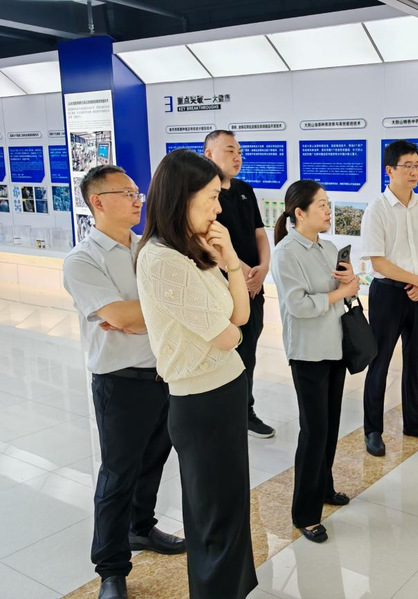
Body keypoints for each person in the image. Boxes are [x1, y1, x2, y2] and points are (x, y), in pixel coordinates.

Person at [135, 149, 257, 598]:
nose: (218, 209)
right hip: (201, 401)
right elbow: (228, 336)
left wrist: (231, 261)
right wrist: (232, 328)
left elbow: (240, 318)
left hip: (225, 390)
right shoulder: (162, 260)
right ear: (181, 197)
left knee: (230, 505)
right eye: (210, 197)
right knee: (213, 516)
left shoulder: (191, 250)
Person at [62, 165, 185, 599]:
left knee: (153, 460)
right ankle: (111, 568)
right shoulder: (83, 260)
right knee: (118, 474)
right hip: (120, 382)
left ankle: (141, 527)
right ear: (98, 201)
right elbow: (119, 315)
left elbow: (162, 308)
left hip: (164, 374)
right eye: (127, 193)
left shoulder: (151, 247)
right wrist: (141, 314)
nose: (138, 200)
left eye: (138, 192)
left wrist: (137, 317)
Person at [270, 180, 359, 543]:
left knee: (330, 424)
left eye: (328, 203)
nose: (328, 210)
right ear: (299, 212)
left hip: (335, 346)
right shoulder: (285, 253)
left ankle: (324, 487)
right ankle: (305, 514)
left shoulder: (329, 246)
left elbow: (342, 292)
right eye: (321, 204)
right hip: (308, 352)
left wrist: (350, 281)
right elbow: (299, 305)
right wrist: (341, 292)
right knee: (313, 431)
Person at [360, 139, 418, 457]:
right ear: (390, 170)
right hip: (388, 294)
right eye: (407, 166)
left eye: (417, 165)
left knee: (415, 360)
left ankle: (414, 421)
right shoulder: (377, 209)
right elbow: (378, 261)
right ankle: (373, 430)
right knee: (379, 362)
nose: (414, 171)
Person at [204, 129, 275, 439]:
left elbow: (259, 233)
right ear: (209, 154)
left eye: (240, 152)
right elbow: (209, 242)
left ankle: (245, 411)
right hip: (224, 286)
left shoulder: (245, 190)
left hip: (253, 286)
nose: (237, 157)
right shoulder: (204, 194)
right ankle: (225, 412)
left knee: (249, 350)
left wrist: (264, 268)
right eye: (230, 150)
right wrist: (244, 274)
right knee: (226, 350)